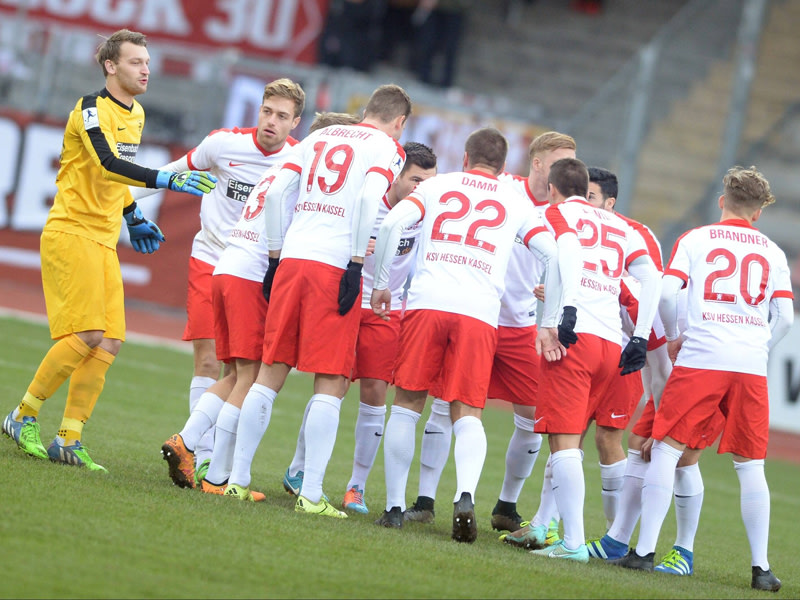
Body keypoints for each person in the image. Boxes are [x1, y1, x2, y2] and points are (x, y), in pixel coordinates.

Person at [1, 29, 216, 471]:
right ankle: (22, 415)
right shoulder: (89, 110)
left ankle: (68, 437)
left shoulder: (134, 113)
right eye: (136, 62)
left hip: (102, 236)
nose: (146, 70)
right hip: (71, 231)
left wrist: (133, 216)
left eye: (148, 63)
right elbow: (107, 163)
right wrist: (166, 179)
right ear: (110, 66)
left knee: (111, 340)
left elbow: (112, 181)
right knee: (86, 334)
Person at [370, 127, 581, 542]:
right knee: (468, 411)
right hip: (479, 313)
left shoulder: (439, 185)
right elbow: (554, 254)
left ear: (465, 157)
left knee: (409, 403)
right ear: (508, 166)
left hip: (429, 302)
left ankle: (395, 507)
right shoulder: (515, 202)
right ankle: (463, 495)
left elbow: (394, 221)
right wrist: (552, 315)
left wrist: (381, 281)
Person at [212, 84, 411, 512]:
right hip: (333, 264)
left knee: (270, 371)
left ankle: (238, 480)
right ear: (399, 122)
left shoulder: (319, 137)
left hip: (292, 258)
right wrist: (356, 263)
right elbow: (365, 198)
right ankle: (313, 493)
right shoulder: (387, 147)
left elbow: (278, 192)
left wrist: (273, 255)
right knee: (332, 379)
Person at [610, 166, 793, 593]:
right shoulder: (774, 251)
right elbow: (784, 316)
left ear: (721, 201)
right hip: (748, 363)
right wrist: (759, 346)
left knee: (667, 451)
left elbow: (670, 292)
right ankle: (761, 569)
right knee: (751, 466)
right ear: (759, 212)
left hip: (702, 356)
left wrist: (675, 337)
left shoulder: (696, 239)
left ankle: (644, 551)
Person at [185, 112, 360, 501]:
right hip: (253, 273)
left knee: (233, 373)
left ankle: (201, 452)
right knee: (251, 377)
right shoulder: (310, 181)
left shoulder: (280, 169)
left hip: (225, 266)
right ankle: (209, 463)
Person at [509, 157, 661, 563]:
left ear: (553, 188)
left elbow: (564, 253)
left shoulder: (552, 213)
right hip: (615, 344)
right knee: (588, 440)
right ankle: (574, 530)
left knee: (564, 441)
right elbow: (653, 279)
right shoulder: (623, 226)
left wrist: (561, 314)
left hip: (574, 340)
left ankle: (573, 543)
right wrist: (642, 336)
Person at [155, 78, 305, 487]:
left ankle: (203, 454)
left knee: (236, 368)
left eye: (281, 116)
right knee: (209, 362)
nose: (271, 122)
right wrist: (130, 206)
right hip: (211, 259)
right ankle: (201, 458)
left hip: (255, 272)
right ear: (258, 109)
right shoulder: (223, 144)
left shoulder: (299, 160)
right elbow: (168, 172)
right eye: (266, 111)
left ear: (296, 122)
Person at [279, 141, 437, 512]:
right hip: (348, 301)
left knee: (375, 395)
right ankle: (298, 469)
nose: (421, 190)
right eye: (415, 180)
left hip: (387, 312)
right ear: (396, 176)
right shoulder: (365, 204)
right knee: (330, 390)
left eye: (428, 183)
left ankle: (356, 487)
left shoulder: (425, 212)